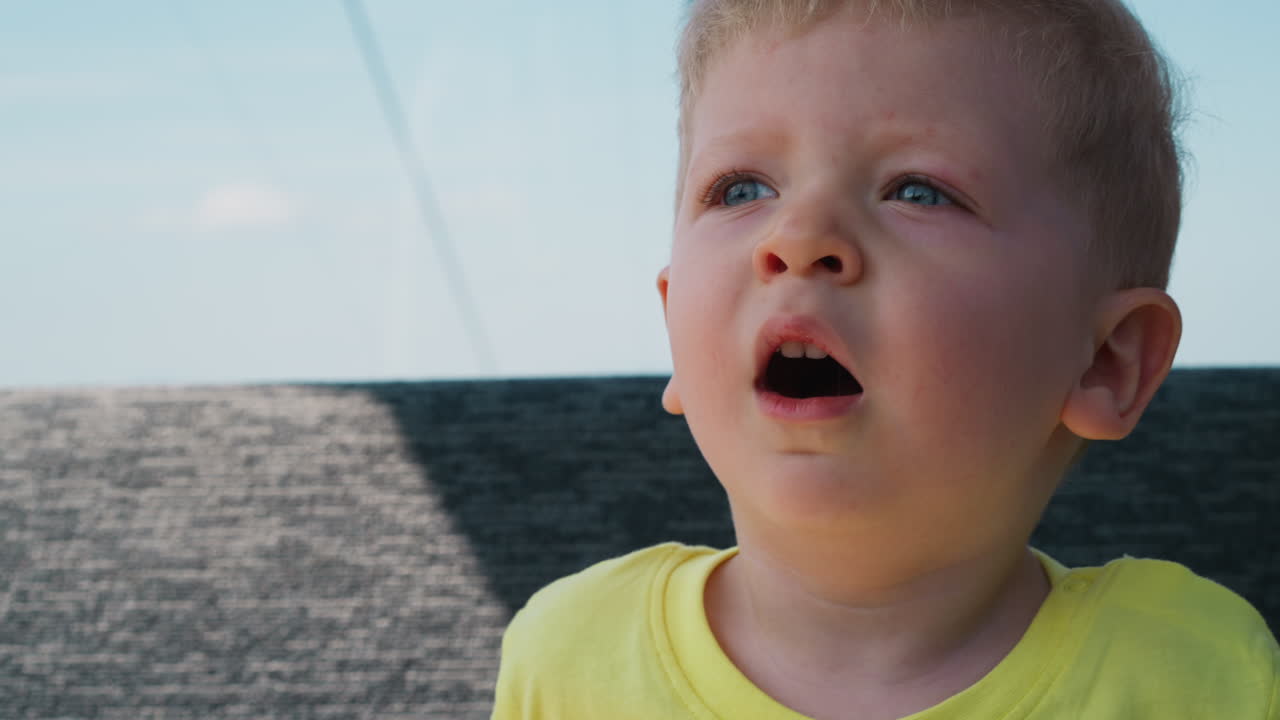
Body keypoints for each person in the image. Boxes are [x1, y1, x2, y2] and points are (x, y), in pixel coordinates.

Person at [490, 1, 1280, 717]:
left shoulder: (1203, 678)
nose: (796, 239)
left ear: (1107, 361)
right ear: (673, 328)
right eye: (739, 190)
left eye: (918, 191)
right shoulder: (567, 663)